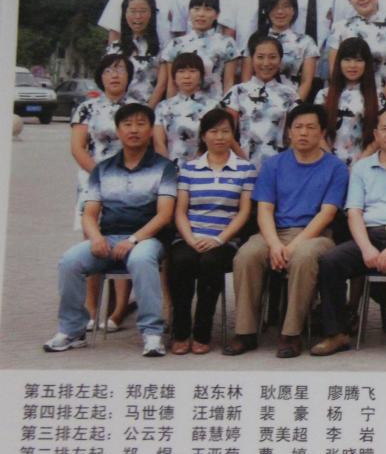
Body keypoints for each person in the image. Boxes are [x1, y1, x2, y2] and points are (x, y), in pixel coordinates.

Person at [44, 103, 177, 357]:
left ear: (151, 130)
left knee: (140, 259)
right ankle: (72, 331)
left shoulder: (164, 168)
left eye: (141, 124)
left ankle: (152, 333)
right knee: (70, 261)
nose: (134, 130)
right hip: (108, 238)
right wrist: (95, 237)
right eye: (127, 124)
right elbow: (89, 213)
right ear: (118, 130)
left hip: (147, 240)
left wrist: (133, 239)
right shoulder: (102, 169)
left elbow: (164, 214)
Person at [224, 103, 348, 358]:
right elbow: (265, 210)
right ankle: (245, 332)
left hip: (315, 235)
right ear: (289, 132)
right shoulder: (273, 165)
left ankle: (291, 333)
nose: (304, 133)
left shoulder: (336, 168)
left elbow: (326, 214)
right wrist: (274, 244)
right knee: (246, 255)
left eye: (311, 127)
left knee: (303, 257)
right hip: (274, 232)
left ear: (322, 132)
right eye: (298, 127)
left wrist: (292, 246)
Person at [314, 103, 386, 359]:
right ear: (376, 134)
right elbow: (354, 212)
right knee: (331, 261)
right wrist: (366, 247)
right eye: (385, 129)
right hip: (368, 235)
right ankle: (336, 333)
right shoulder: (362, 168)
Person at [168, 108, 257, 355]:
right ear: (203, 136)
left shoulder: (245, 169)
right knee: (181, 260)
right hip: (190, 237)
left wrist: (219, 239)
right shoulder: (189, 168)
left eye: (225, 131)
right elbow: (180, 211)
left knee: (210, 262)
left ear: (233, 135)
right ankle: (180, 331)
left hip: (224, 240)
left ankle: (202, 332)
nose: (219, 137)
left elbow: (244, 212)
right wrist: (190, 239)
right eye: (213, 131)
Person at [70, 53, 134, 330]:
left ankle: (118, 311)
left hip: (130, 183)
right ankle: (91, 308)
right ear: (100, 76)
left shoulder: (137, 108)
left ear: (129, 76)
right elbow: (77, 148)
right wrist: (101, 176)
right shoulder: (87, 108)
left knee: (123, 243)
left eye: (120, 70)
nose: (114, 75)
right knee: (94, 245)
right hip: (93, 181)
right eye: (108, 70)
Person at [221, 35, 299, 170]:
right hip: (243, 164)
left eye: (272, 57)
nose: (266, 63)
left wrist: (285, 162)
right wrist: (244, 162)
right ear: (252, 59)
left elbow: (295, 134)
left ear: (280, 60)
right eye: (260, 57)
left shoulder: (290, 94)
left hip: (279, 166)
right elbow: (227, 132)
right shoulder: (237, 91)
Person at [159, 0, 240, 101]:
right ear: (189, 12)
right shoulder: (175, 44)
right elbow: (172, 85)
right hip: (182, 106)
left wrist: (225, 109)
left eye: (208, 9)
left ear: (217, 14)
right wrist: (170, 108)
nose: (201, 14)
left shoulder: (226, 43)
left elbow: (229, 83)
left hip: (214, 105)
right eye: (196, 9)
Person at [241, 0, 318, 100]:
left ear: (294, 10)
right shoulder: (256, 38)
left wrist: (294, 106)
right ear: (267, 10)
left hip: (291, 100)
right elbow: (246, 78)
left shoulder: (306, 42)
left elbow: (306, 82)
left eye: (286, 6)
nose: (280, 11)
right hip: (257, 99)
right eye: (275, 7)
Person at [316, 36, 380, 167]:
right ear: (339, 62)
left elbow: (380, 135)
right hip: (328, 164)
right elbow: (317, 134)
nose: (352, 65)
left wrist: (359, 165)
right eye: (347, 60)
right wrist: (335, 165)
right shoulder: (323, 95)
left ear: (367, 64)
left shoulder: (378, 97)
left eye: (359, 60)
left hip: (365, 165)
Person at [153, 53, 217, 169]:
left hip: (205, 168)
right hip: (171, 168)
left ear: (201, 76)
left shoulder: (212, 106)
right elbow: (159, 143)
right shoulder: (163, 107)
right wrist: (168, 170)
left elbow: (215, 141)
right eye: (181, 71)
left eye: (192, 71)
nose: (187, 76)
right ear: (174, 77)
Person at [108, 0, 166, 108]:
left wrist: (147, 112)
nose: (138, 16)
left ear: (151, 14)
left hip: (149, 110)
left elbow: (162, 84)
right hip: (119, 111)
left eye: (143, 11)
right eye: (133, 11)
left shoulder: (162, 48)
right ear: (125, 14)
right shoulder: (114, 49)